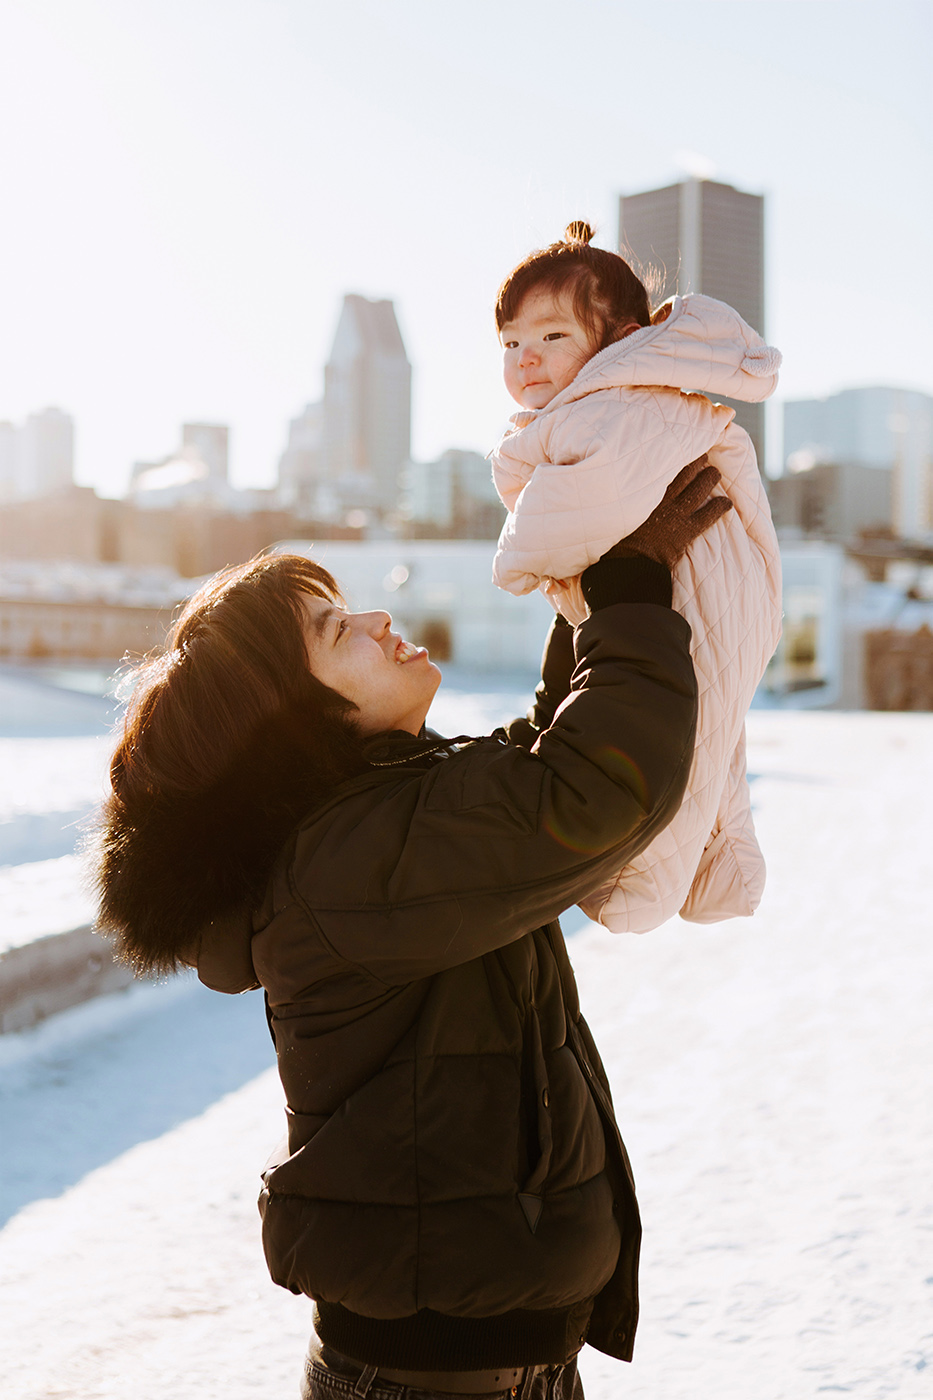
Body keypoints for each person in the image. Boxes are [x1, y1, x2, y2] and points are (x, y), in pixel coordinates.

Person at [92, 461, 729, 1400]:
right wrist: (625, 594)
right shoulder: (350, 862)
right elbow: (592, 787)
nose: (375, 622)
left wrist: (590, 596)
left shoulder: (375, 818)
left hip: (476, 1359)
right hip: (440, 1376)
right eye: (332, 629)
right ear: (290, 717)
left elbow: (534, 769)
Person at [491, 222, 783, 934]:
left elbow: (581, 510)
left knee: (694, 738)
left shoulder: (614, 406)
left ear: (619, 340)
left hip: (695, 582)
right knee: (708, 739)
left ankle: (642, 887)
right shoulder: (621, 400)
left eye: (552, 337)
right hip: (709, 593)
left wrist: (521, 557)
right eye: (509, 344)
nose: (526, 358)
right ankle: (724, 869)